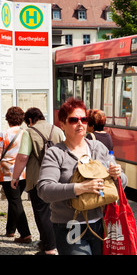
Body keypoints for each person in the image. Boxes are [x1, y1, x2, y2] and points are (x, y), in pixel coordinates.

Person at [37, 98, 127, 255]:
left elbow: (122, 184)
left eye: (84, 119)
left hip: (101, 224)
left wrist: (117, 175)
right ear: (62, 125)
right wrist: (81, 188)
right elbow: (44, 190)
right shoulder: (56, 153)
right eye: (73, 120)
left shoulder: (98, 148)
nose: (80, 123)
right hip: (70, 226)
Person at [11, 107, 65, 255]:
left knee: (42, 214)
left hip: (38, 179)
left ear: (29, 120)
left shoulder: (29, 132)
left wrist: (15, 177)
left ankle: (49, 248)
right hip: (58, 178)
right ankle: (52, 243)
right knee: (56, 212)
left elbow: (22, 157)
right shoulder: (58, 130)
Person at [1, 107, 31, 244]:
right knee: (14, 200)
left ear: (8, 119)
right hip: (23, 172)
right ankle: (10, 229)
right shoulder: (26, 133)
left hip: (7, 174)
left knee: (15, 201)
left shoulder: (4, 134)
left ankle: (25, 234)